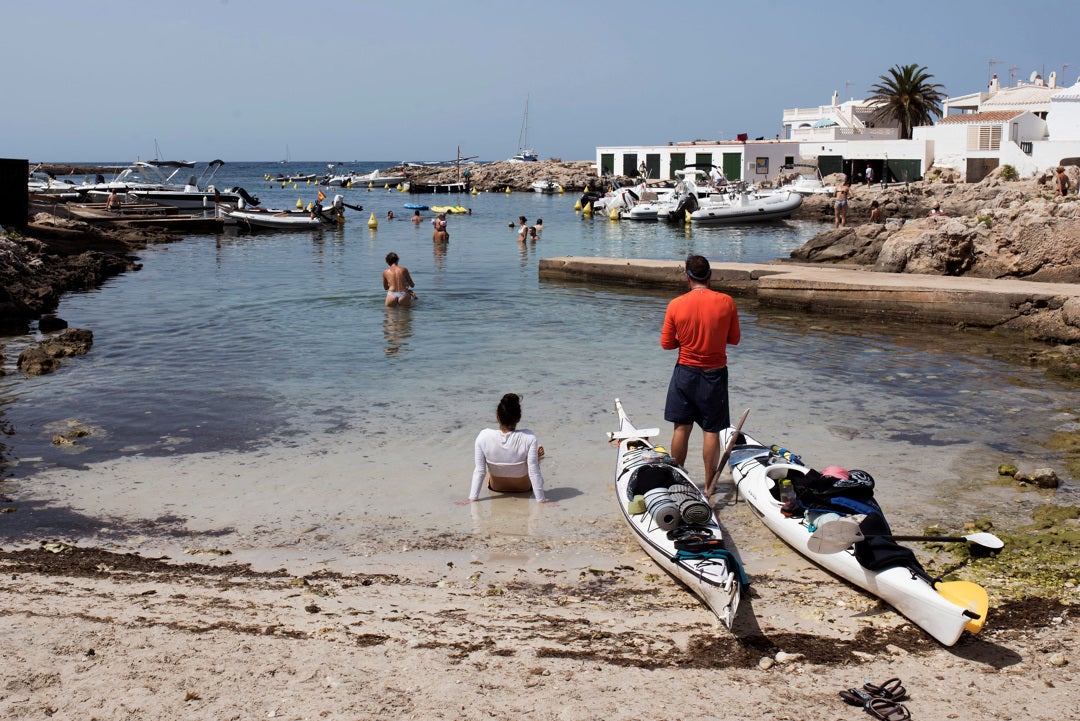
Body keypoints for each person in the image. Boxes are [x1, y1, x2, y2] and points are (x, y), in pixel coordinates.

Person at [660, 255, 740, 495]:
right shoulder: (726, 302)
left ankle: (678, 480)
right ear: (710, 275)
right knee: (711, 431)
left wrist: (684, 340)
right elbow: (734, 339)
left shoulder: (676, 304)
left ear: (687, 277)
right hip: (714, 374)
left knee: (681, 428)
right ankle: (708, 486)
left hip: (685, 372)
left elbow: (666, 344)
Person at [460, 393, 549, 504]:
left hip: (496, 488)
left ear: (497, 417)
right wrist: (541, 500)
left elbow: (480, 471)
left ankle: (529, 457)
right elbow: (534, 472)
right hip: (523, 488)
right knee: (533, 463)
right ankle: (534, 457)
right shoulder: (529, 437)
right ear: (519, 418)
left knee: (491, 465)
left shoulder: (483, 436)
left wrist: (471, 499)